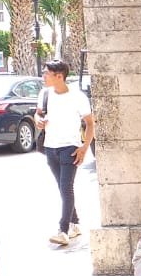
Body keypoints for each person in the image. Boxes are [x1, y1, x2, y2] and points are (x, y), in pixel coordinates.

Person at [34, 59, 96, 246]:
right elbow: (38, 113)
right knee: (62, 188)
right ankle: (75, 223)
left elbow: (90, 123)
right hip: (50, 147)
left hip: (70, 148)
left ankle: (63, 229)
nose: (44, 76)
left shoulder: (77, 97)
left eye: (47, 73)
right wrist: (38, 120)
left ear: (59, 76)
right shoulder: (44, 94)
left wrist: (84, 147)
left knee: (66, 187)